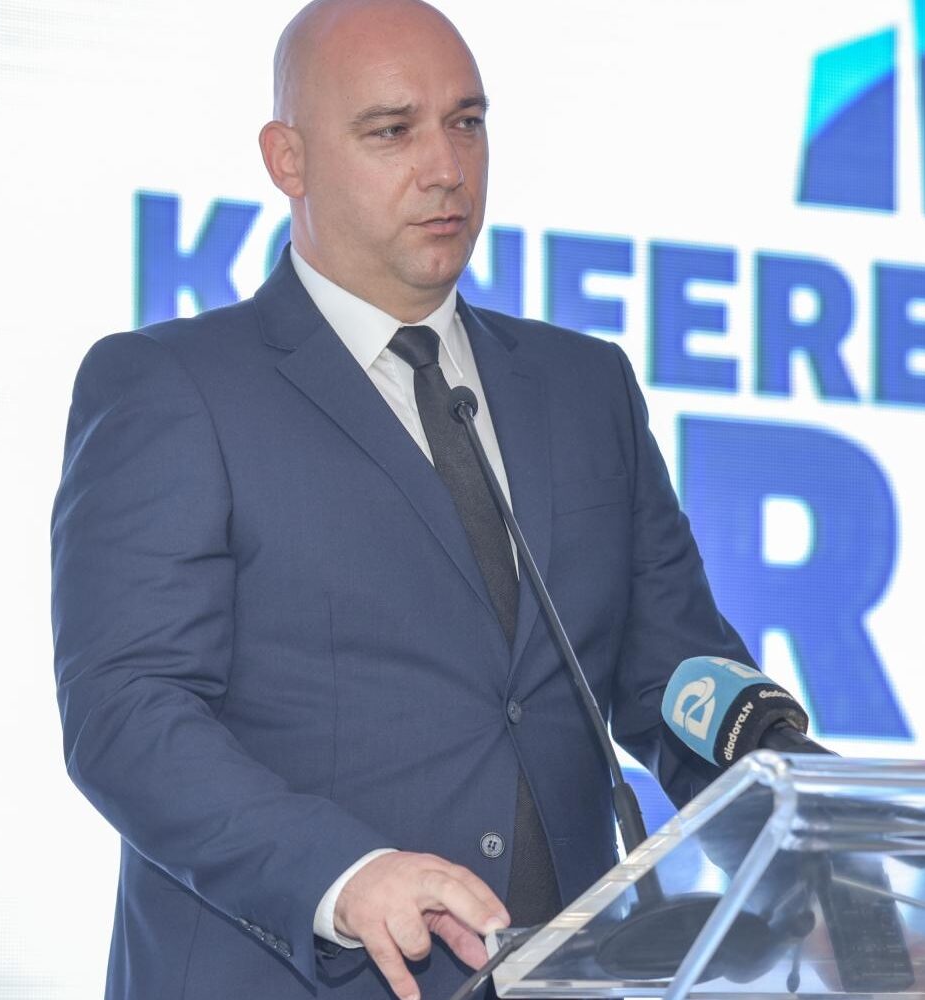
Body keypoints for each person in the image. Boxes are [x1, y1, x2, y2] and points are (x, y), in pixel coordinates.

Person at [50, 1, 750, 998]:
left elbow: (675, 675)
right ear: (288, 159)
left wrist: (835, 857)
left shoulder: (584, 387)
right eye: (392, 131)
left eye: (467, 123)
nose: (446, 168)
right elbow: (126, 713)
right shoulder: (174, 386)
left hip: (564, 973)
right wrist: (343, 874)